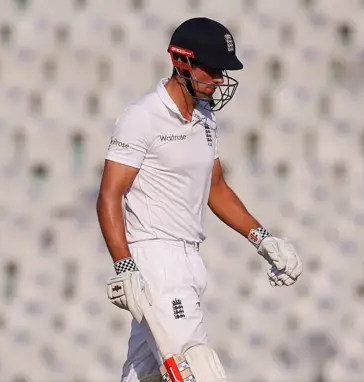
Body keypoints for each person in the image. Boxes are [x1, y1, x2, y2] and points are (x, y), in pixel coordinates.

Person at [96, 17, 303, 382]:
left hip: (189, 260)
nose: (220, 79)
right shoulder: (143, 117)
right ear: (182, 62)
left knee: (144, 375)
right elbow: (110, 194)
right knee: (197, 368)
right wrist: (124, 265)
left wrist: (262, 238)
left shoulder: (205, 118)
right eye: (213, 70)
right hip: (156, 261)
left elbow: (216, 187)